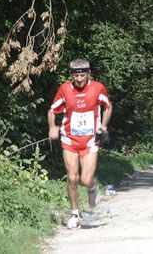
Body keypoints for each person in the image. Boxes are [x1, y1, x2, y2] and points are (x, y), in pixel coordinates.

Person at [48, 59, 112, 229]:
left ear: (89, 74)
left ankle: (92, 188)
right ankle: (74, 214)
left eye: (83, 75)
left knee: (85, 178)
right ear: (72, 75)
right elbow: (52, 110)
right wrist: (52, 127)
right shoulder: (65, 89)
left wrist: (103, 126)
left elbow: (108, 106)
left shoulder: (98, 88)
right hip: (69, 139)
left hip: (90, 140)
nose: (79, 79)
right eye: (76, 76)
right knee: (72, 177)